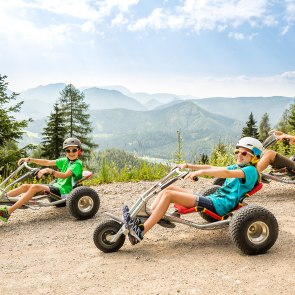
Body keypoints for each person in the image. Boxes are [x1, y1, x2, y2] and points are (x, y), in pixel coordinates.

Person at [123, 137, 263, 245]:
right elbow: (210, 166)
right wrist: (188, 165)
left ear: (255, 156)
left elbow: (226, 172)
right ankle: (147, 218)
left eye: (244, 152)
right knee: (169, 188)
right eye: (237, 151)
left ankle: (141, 232)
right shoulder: (238, 166)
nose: (239, 154)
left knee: (169, 195)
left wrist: (200, 173)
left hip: (219, 205)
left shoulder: (250, 171)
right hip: (214, 199)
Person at [0, 137, 83, 222]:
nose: (71, 153)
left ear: (79, 151)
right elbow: (47, 162)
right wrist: (30, 160)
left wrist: (49, 170)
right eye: (68, 151)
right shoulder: (65, 161)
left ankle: (8, 212)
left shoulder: (78, 164)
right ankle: (1, 199)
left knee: (35, 187)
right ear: (65, 152)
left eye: (74, 150)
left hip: (65, 192)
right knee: (24, 186)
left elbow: (64, 176)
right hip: (57, 187)